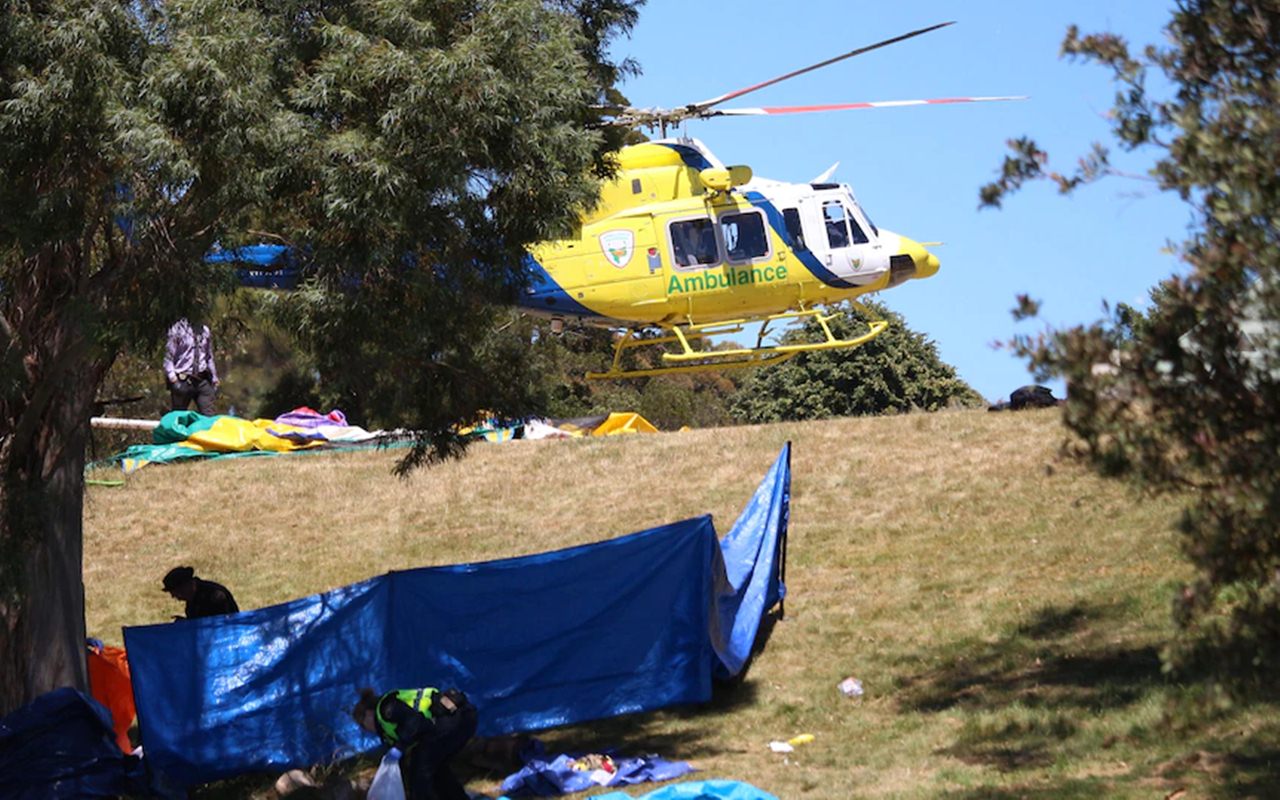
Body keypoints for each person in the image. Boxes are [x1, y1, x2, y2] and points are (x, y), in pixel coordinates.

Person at [353, 686, 478, 800]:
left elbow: (414, 721)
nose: (366, 730)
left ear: (369, 714)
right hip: (462, 720)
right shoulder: (385, 726)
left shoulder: (387, 708)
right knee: (437, 770)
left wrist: (399, 747)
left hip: (454, 721)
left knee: (420, 774)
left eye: (363, 725)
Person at [164, 316, 219, 415]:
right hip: (182, 379)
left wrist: (214, 377)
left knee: (208, 416)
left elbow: (208, 356)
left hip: (202, 379)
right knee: (178, 417)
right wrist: (173, 379)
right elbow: (168, 358)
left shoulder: (205, 330)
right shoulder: (177, 329)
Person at [162, 566, 239, 620]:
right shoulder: (192, 600)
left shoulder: (213, 595)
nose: (174, 596)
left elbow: (224, 622)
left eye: (177, 593)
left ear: (186, 587)